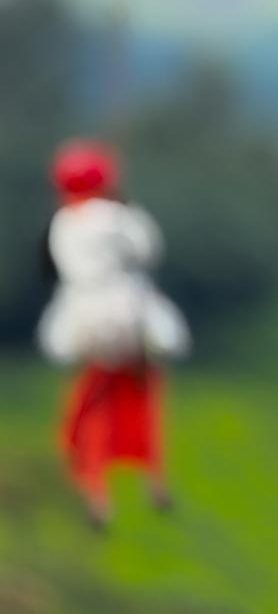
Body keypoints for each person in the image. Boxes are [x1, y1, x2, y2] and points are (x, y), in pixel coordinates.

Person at [37, 140, 191, 528]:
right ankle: (155, 477)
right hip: (128, 312)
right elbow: (148, 250)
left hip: (83, 318)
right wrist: (126, 208)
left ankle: (95, 491)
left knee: (94, 397)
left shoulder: (62, 222)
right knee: (142, 389)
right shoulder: (119, 216)